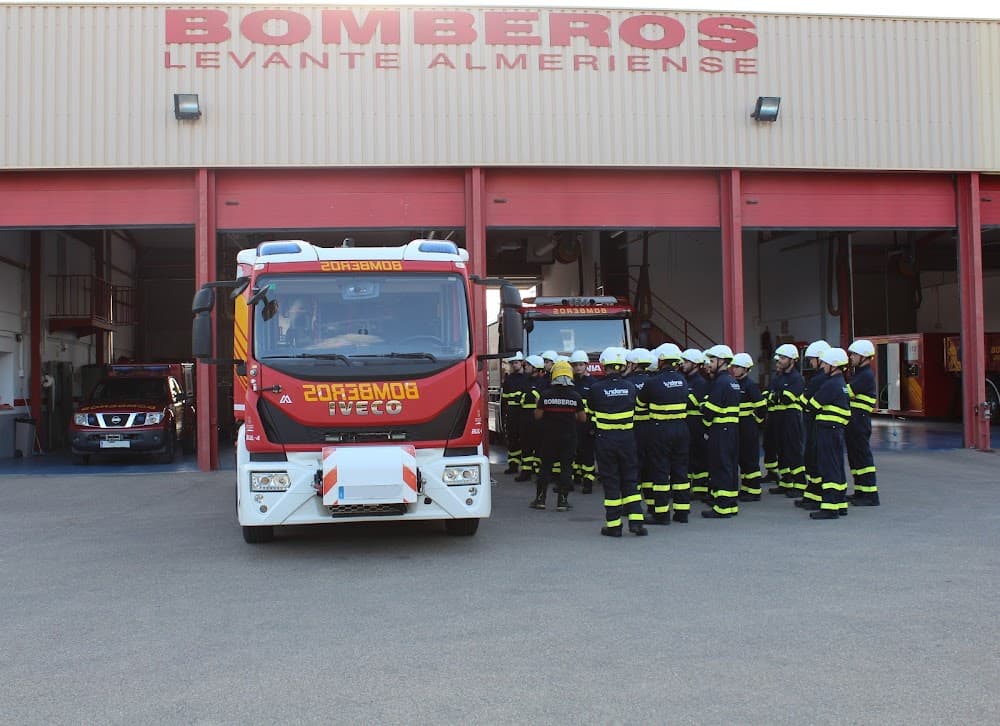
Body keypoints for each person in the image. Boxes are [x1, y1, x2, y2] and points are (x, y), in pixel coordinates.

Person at [589, 347, 647, 537]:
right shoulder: (630, 387)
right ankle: (636, 522)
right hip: (627, 440)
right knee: (631, 480)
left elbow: (591, 412)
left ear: (604, 366)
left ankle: (614, 526)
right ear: (622, 366)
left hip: (606, 441)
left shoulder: (596, 389)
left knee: (611, 482)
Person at [639, 343, 691, 524]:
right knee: (681, 471)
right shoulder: (683, 380)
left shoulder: (652, 382)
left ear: (660, 360)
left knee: (660, 471)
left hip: (660, 430)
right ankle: (682, 512)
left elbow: (640, 405)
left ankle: (661, 514)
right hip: (681, 429)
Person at [531, 361, 586, 512]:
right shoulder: (575, 396)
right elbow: (582, 419)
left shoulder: (545, 395)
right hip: (569, 438)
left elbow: (538, 416)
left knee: (545, 468)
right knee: (566, 469)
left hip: (549, 438)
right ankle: (562, 501)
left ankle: (540, 500)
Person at [806, 347, 852, 519]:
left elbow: (812, 405)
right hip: (836, 430)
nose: (823, 366)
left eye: (825, 363)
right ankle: (840, 504)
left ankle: (830, 507)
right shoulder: (841, 384)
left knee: (828, 468)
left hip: (827, 431)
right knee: (837, 466)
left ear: (833, 365)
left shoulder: (830, 385)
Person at [701, 344, 742, 518]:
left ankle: (722, 507)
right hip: (731, 430)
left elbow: (711, 409)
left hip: (719, 430)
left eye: (712, 360)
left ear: (722, 361)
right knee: (730, 466)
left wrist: (703, 409)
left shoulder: (720, 382)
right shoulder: (732, 382)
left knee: (720, 466)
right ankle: (731, 503)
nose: (709, 364)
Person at [796, 340, 831, 510]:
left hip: (815, 424)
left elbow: (805, 400)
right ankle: (811, 495)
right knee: (810, 459)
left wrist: (801, 397)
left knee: (814, 459)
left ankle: (816, 496)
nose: (810, 362)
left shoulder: (820, 378)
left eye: (812, 359)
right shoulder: (821, 377)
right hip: (812, 423)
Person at [768, 343, 806, 498]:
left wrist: (777, 396)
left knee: (793, 451)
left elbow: (786, 397)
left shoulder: (797, 378)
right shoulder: (778, 377)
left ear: (792, 360)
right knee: (781, 451)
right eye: (779, 358)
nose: (780, 361)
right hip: (778, 419)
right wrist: (775, 396)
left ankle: (800, 484)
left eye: (783, 358)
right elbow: (770, 396)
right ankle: (786, 482)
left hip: (792, 419)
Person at [846, 339, 880, 506]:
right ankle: (860, 491)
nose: (851, 357)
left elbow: (847, 392)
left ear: (864, 357)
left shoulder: (865, 375)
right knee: (855, 458)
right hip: (854, 421)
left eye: (854, 354)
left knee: (862, 457)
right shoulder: (859, 373)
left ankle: (870, 495)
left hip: (859, 421)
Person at [731, 353, 766, 501]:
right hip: (738, 425)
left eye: (737, 367)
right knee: (742, 458)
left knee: (750, 459)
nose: (734, 369)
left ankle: (754, 490)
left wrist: (757, 422)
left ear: (745, 369)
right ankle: (746, 488)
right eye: (733, 366)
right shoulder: (734, 383)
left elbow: (762, 407)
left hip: (748, 425)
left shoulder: (750, 385)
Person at [680, 348, 711, 501]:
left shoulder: (700, 382)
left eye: (686, 362)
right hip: (686, 422)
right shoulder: (685, 380)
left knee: (698, 455)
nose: (683, 364)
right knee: (688, 455)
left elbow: (695, 402)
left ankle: (700, 488)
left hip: (697, 423)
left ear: (695, 365)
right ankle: (692, 485)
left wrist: (682, 394)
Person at [569, 349, 596, 493]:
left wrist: (593, 426)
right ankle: (573, 480)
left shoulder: (593, 383)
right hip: (573, 424)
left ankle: (588, 482)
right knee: (573, 452)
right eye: (575, 365)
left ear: (586, 365)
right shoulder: (571, 383)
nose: (577, 367)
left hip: (587, 424)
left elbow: (596, 407)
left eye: (580, 364)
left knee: (587, 454)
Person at [515, 355, 545, 482]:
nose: (525, 366)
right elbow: (519, 398)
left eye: (527, 365)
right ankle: (526, 471)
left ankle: (539, 471)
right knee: (525, 445)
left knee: (539, 446)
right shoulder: (524, 381)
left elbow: (540, 399)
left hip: (538, 419)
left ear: (535, 368)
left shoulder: (543, 382)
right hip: (524, 418)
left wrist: (530, 395)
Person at [501, 352, 527, 475]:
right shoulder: (508, 380)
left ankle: (527, 467)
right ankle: (513, 465)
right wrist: (504, 416)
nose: (514, 365)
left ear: (522, 363)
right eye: (512, 363)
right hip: (512, 414)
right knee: (512, 440)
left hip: (524, 413)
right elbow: (504, 400)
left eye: (516, 362)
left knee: (525, 440)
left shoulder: (528, 378)